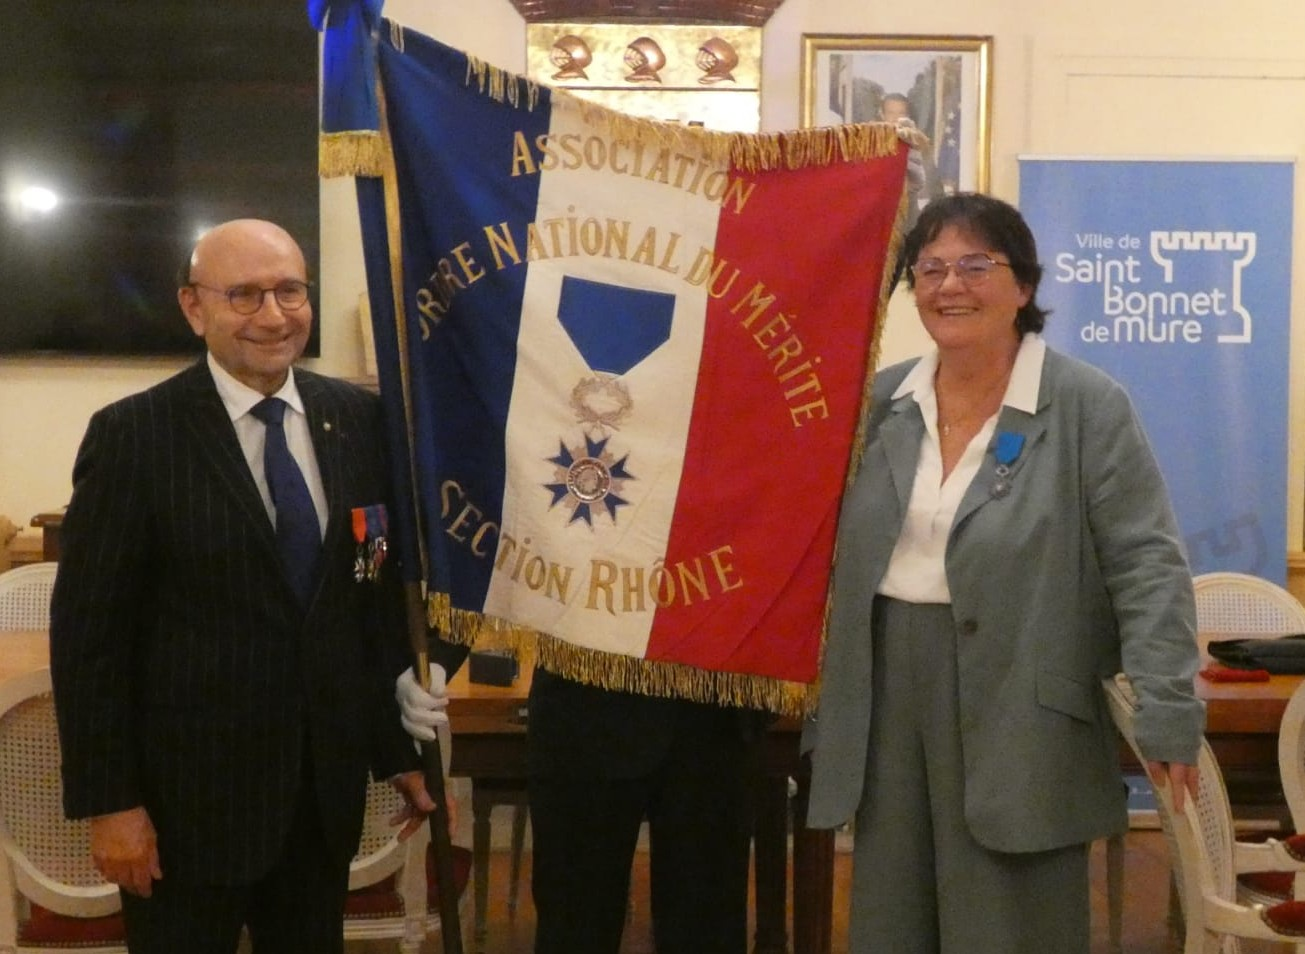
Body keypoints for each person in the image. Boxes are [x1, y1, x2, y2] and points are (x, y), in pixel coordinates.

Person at [802, 192, 1204, 954]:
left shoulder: (1086, 405)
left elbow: (1146, 563)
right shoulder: (880, 402)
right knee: (890, 924)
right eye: (929, 269)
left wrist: (1167, 708)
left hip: (1026, 704)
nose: (949, 285)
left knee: (1009, 929)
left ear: (1023, 285)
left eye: (975, 265)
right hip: (886, 700)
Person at [49, 218, 436, 954]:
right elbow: (90, 640)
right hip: (183, 812)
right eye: (245, 295)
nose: (273, 315)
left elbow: (365, 597)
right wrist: (110, 804)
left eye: (290, 290)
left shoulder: (359, 422)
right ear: (194, 307)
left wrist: (397, 752)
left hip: (319, 800)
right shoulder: (134, 437)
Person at [399, 646, 769, 954]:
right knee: (574, 929)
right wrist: (435, 653)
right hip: (583, 713)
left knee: (709, 930)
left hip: (715, 713)